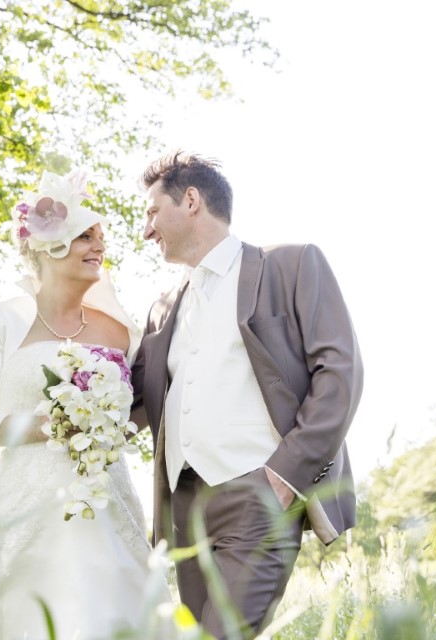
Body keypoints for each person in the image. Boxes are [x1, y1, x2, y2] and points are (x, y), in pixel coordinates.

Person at [0, 170, 172, 640]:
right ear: (48, 246)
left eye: (100, 237)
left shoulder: (123, 333)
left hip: (105, 507)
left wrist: (104, 427)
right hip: (21, 509)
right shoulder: (1, 320)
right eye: (85, 236)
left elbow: (143, 410)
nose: (99, 246)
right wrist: (51, 425)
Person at [131, 151, 364, 639]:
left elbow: (339, 373)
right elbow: (128, 403)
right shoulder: (160, 310)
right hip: (185, 508)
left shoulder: (290, 264)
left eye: (152, 212)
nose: (146, 230)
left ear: (191, 200)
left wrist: (284, 477)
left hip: (259, 493)